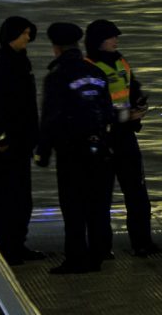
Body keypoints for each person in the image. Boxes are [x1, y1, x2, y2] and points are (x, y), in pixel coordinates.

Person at [35, 22, 115, 275]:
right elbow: (107, 111)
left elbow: (51, 117)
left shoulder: (57, 76)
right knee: (96, 203)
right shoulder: (96, 72)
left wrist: (43, 152)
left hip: (70, 150)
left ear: (56, 47)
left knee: (73, 206)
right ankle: (98, 254)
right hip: (99, 147)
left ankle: (76, 258)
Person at [85, 19, 161, 257]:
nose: (116, 41)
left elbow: (132, 89)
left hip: (126, 136)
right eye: (111, 37)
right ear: (99, 41)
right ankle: (101, 248)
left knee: (137, 193)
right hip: (104, 139)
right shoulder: (89, 66)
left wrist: (139, 105)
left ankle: (142, 242)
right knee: (100, 197)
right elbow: (92, 106)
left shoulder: (121, 62)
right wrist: (122, 115)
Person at [0, 16, 44, 266]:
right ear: (12, 35)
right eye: (25, 33)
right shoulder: (0, 63)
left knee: (21, 196)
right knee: (3, 195)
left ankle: (17, 244)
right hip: (6, 145)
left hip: (22, 141)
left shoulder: (19, 60)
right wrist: (0, 138)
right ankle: (1, 246)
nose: (28, 38)